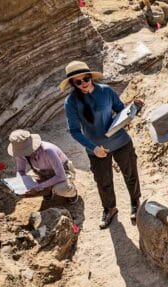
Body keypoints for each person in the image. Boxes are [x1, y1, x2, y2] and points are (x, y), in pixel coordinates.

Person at [61, 61, 143, 229]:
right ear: (73, 84)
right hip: (96, 148)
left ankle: (135, 203)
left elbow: (120, 110)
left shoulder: (106, 91)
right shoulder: (71, 102)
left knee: (131, 174)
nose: (84, 83)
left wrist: (134, 109)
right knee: (103, 181)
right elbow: (75, 130)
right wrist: (93, 148)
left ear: (91, 76)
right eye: (78, 81)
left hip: (121, 141)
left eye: (86, 78)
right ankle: (109, 208)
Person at [7, 129, 78, 204]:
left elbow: (61, 176)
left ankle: (72, 194)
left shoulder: (48, 150)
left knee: (61, 188)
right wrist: (19, 184)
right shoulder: (20, 152)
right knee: (24, 189)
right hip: (42, 173)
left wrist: (38, 187)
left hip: (63, 171)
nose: (22, 153)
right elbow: (20, 171)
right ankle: (47, 191)